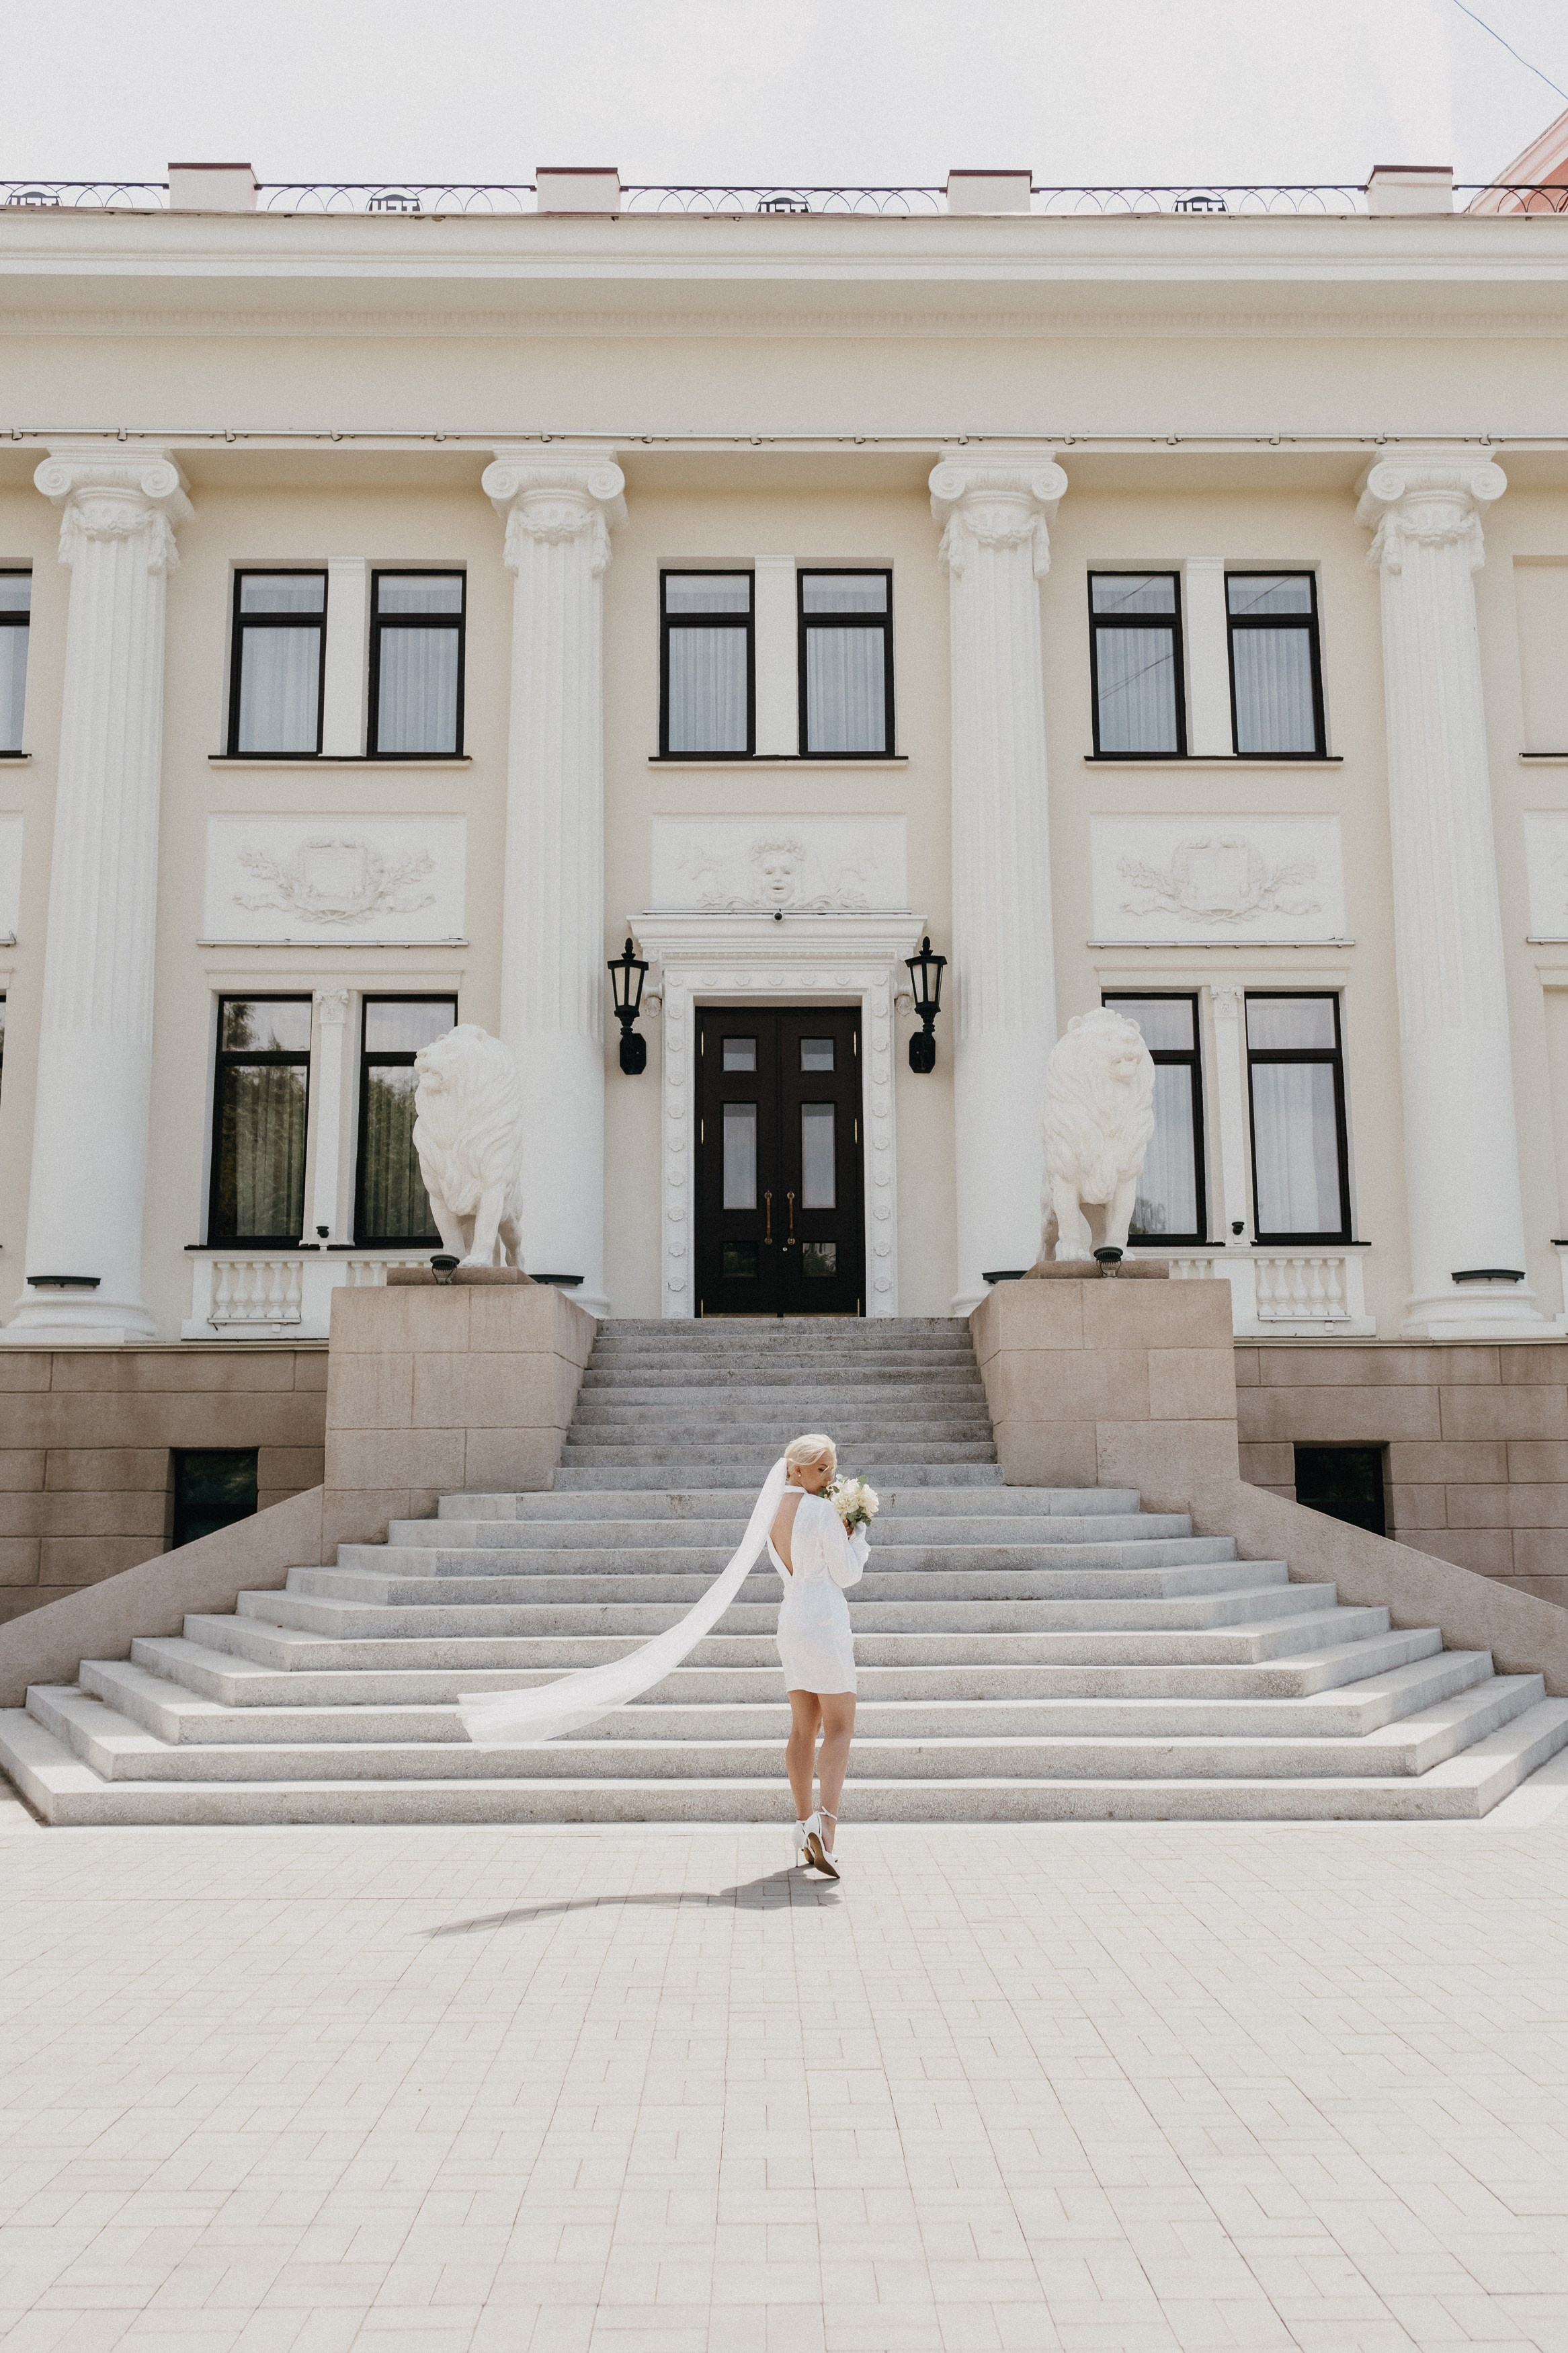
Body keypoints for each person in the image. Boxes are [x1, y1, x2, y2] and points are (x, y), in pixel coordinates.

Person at [767, 1433, 868, 1880]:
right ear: (796, 1469)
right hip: (824, 1621)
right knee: (841, 1727)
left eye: (831, 1468)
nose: (829, 1477)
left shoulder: (770, 1511)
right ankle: (826, 1829)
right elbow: (846, 1575)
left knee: (802, 1728)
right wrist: (858, 1535)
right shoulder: (822, 1510)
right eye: (821, 1469)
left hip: (791, 1619)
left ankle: (802, 1822)